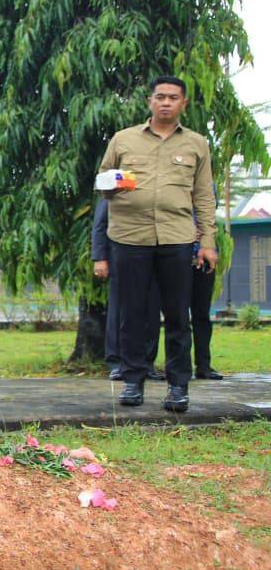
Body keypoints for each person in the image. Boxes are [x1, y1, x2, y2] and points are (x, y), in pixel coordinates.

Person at [100, 75, 217, 413]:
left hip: (177, 238)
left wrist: (207, 241)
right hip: (129, 237)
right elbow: (103, 181)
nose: (166, 102)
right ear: (150, 101)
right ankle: (133, 381)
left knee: (178, 315)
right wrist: (112, 185)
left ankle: (178, 386)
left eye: (173, 97)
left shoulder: (197, 144)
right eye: (160, 96)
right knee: (132, 313)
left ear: (183, 103)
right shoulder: (123, 139)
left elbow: (203, 196)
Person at [92, 198, 162, 381]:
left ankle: (147, 363)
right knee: (118, 310)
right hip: (121, 254)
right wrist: (99, 257)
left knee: (152, 311)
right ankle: (117, 363)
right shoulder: (117, 183)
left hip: (155, 253)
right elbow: (100, 223)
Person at [190, 221, 223, 379]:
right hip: (176, 257)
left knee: (202, 314)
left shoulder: (207, 204)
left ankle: (203, 366)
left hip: (204, 258)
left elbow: (209, 223)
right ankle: (178, 366)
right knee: (176, 316)